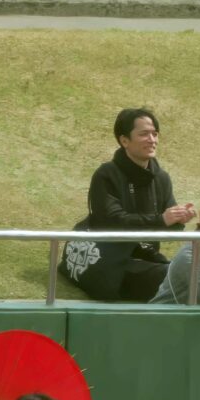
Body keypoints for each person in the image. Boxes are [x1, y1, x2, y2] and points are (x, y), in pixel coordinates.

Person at [65, 106, 189, 302]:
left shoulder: (162, 178)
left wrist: (178, 219)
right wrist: (161, 220)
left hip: (144, 256)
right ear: (124, 141)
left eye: (155, 134)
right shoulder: (106, 175)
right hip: (108, 257)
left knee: (190, 274)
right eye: (144, 134)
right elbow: (111, 222)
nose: (152, 139)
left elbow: (166, 226)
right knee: (178, 279)